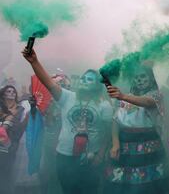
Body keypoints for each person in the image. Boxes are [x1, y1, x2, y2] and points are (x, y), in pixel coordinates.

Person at [22, 48, 113, 194]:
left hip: (91, 157)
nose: (84, 80)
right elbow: (49, 83)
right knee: (68, 190)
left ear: (97, 85)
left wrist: (101, 155)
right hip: (65, 156)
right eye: (83, 78)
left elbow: (108, 133)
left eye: (89, 79)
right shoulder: (68, 97)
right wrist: (34, 61)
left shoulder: (104, 105)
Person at [104, 64, 169, 194]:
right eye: (136, 77)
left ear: (151, 79)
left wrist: (122, 96)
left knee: (148, 186)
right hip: (124, 147)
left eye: (142, 76)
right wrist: (115, 143)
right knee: (121, 185)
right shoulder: (124, 97)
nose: (139, 80)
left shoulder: (157, 95)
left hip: (149, 145)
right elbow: (115, 120)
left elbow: (147, 102)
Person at [0, 85, 31, 194]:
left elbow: (20, 130)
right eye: (8, 91)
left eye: (13, 91)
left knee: (7, 172)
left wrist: (27, 118)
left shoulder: (20, 109)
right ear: (3, 94)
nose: (12, 93)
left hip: (11, 145)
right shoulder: (0, 107)